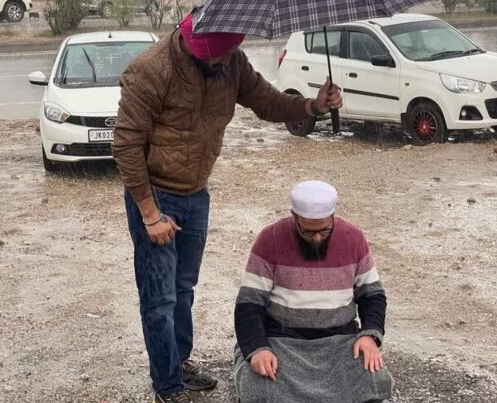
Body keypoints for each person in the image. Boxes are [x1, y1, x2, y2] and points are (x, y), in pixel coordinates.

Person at [111, 9, 344, 403]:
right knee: (159, 298)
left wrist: (313, 106)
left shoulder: (232, 62)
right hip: (157, 197)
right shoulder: (150, 70)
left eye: (227, 54)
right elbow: (126, 145)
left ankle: (179, 363)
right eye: (214, 56)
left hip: (196, 194)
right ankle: (167, 386)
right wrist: (150, 214)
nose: (222, 62)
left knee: (183, 289)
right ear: (194, 44)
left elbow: (268, 103)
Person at [233, 181, 393, 403]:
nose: (317, 238)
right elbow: (249, 303)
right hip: (282, 341)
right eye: (308, 231)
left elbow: (372, 295)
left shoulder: (353, 238)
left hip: (340, 342)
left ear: (333, 217)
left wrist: (370, 336)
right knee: (258, 386)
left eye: (324, 230)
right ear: (294, 217)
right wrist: (258, 348)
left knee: (373, 380)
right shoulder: (270, 239)